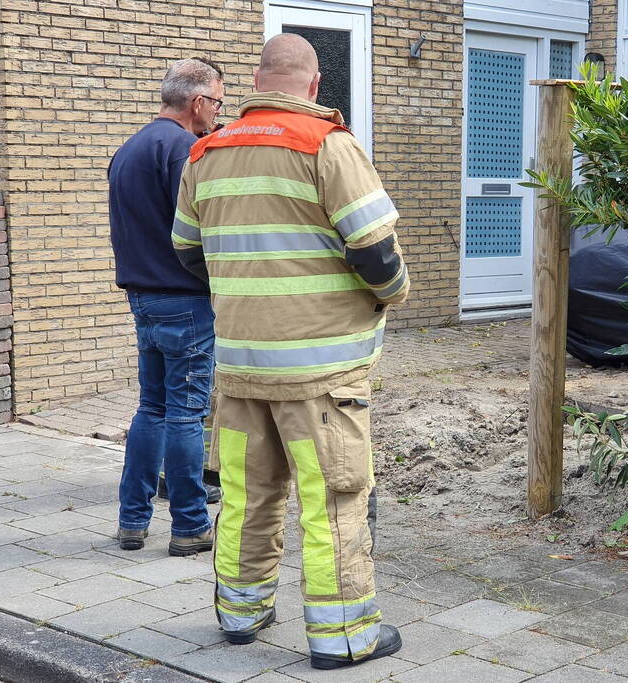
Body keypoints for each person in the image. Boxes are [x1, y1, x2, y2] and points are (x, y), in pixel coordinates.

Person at [172, 34, 409, 666]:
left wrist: (244, 300)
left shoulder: (206, 151)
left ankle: (240, 614)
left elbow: (188, 251)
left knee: (247, 495)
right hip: (320, 374)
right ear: (314, 85)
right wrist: (393, 295)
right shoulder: (327, 144)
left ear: (257, 82)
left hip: (239, 369)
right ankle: (344, 636)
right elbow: (374, 250)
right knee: (332, 500)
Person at [108, 58, 224, 556]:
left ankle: (132, 522)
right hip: (185, 300)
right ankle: (190, 525)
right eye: (217, 103)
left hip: (143, 299)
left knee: (151, 408)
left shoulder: (129, 148)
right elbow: (199, 226)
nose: (218, 113)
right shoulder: (184, 150)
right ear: (197, 102)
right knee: (186, 414)